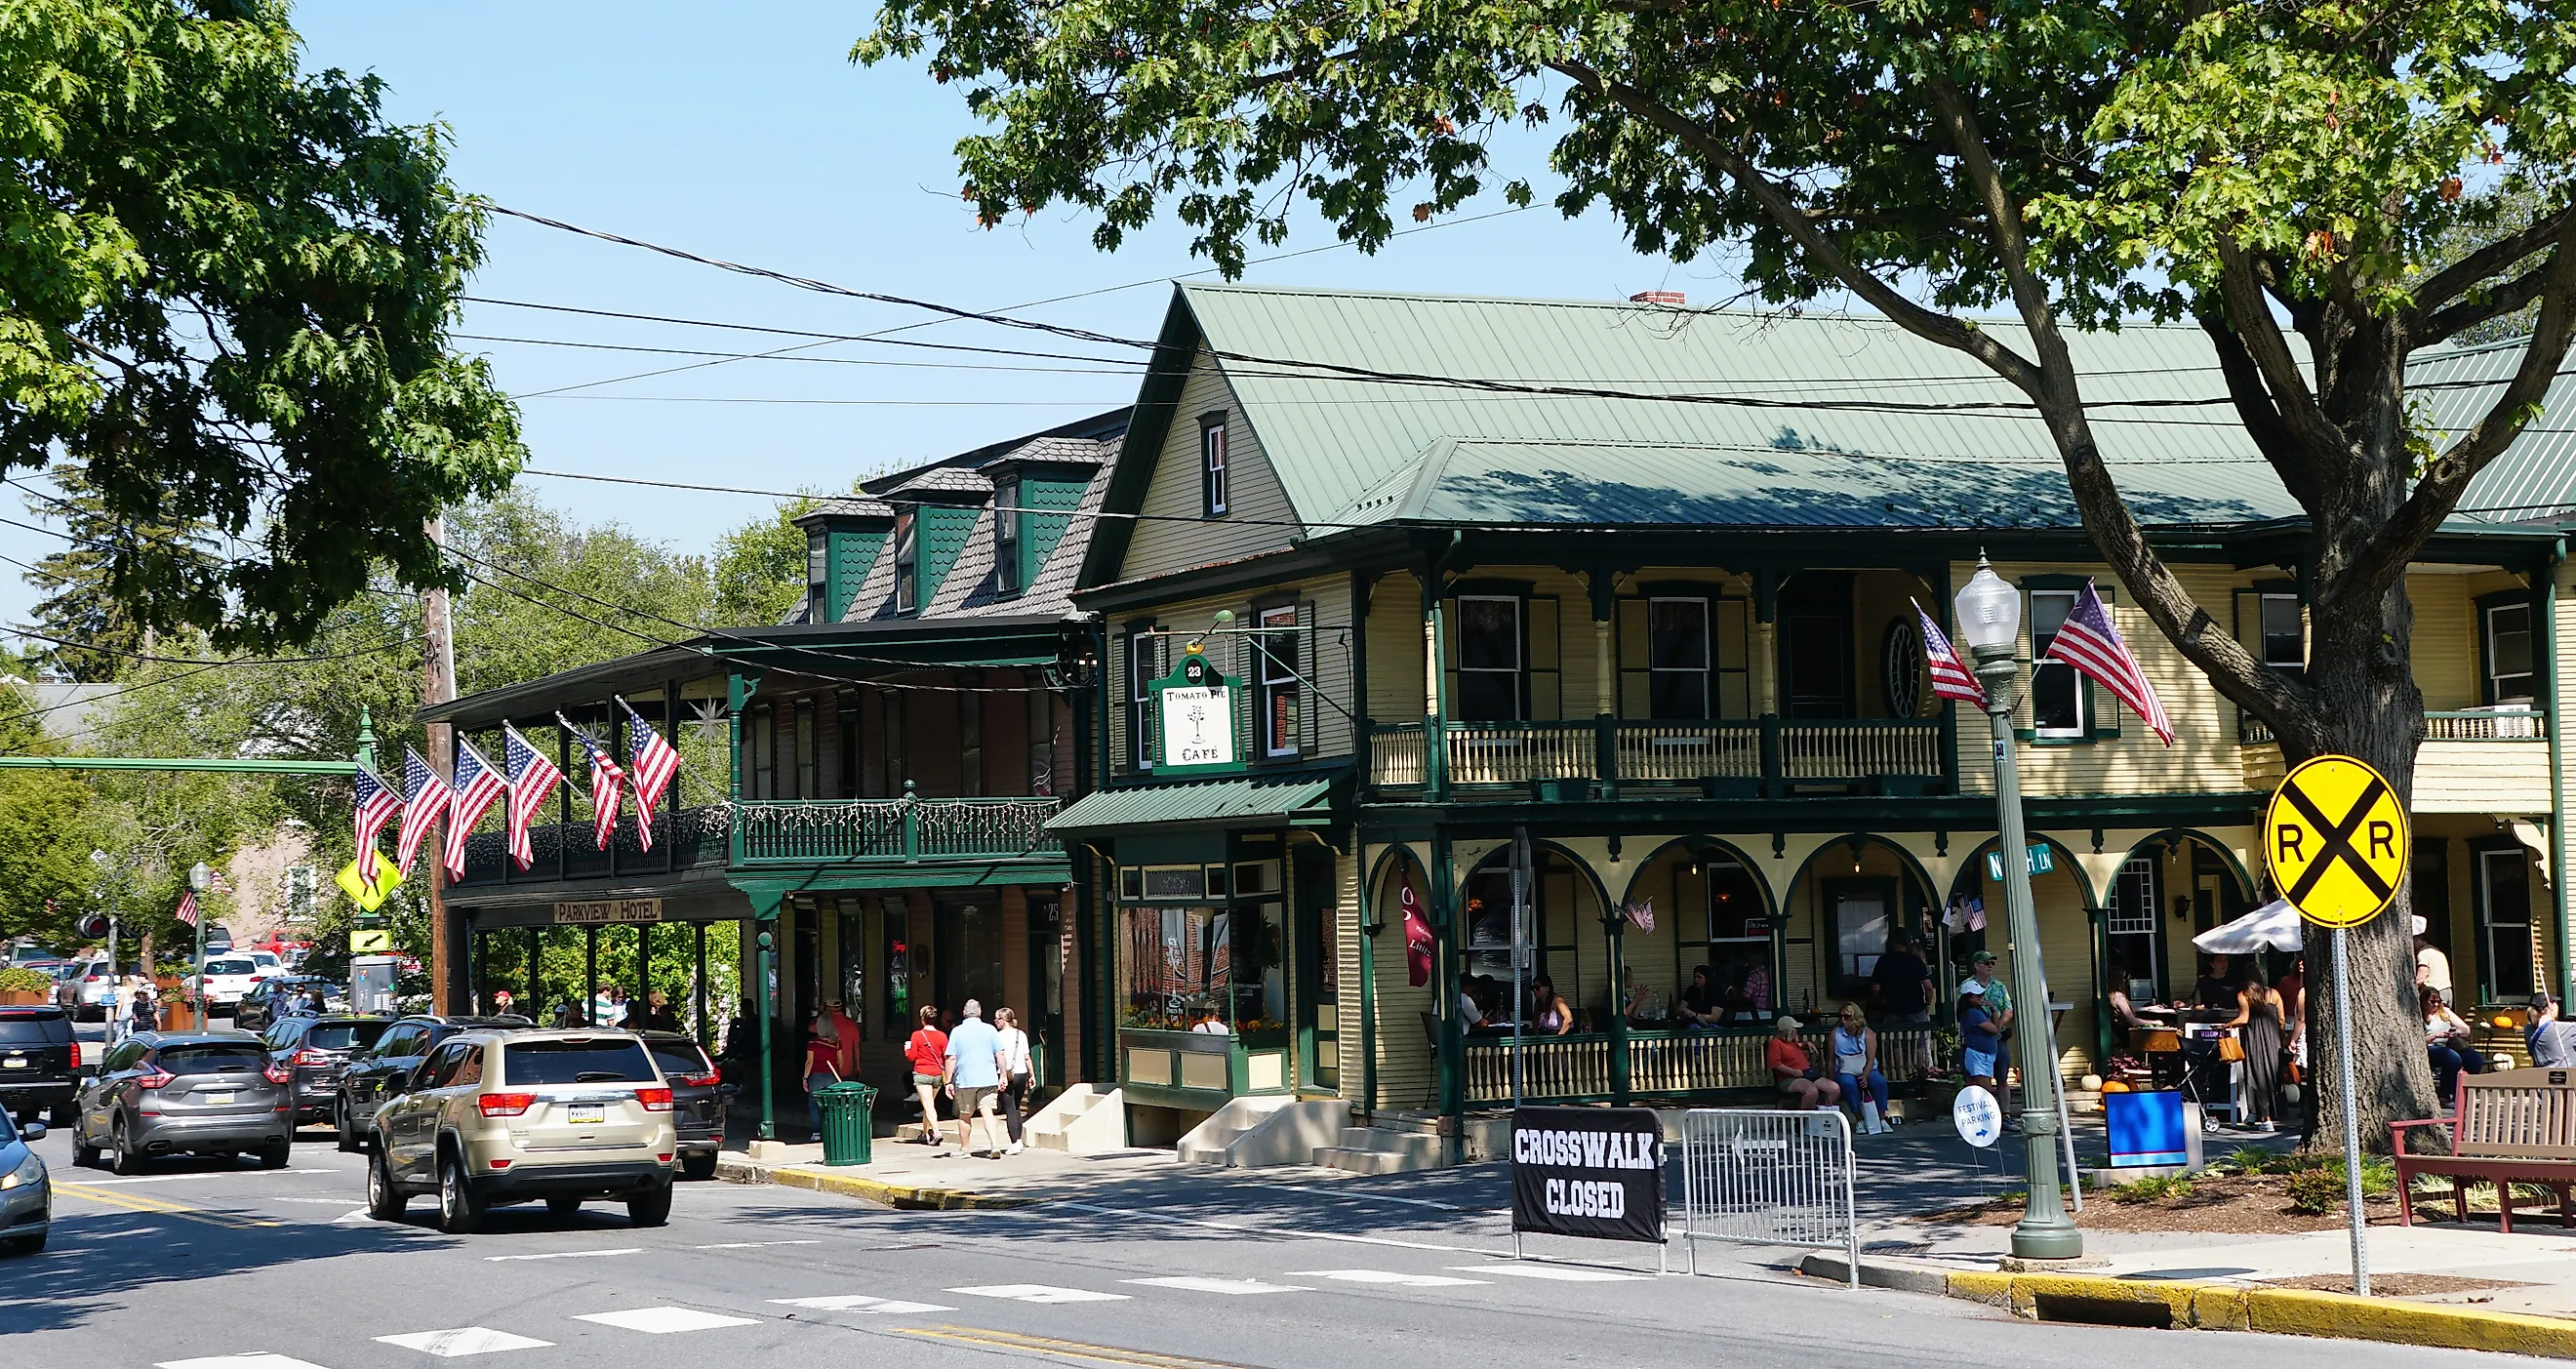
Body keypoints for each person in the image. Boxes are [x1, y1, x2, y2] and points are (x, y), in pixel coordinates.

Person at [2220, 961, 2287, 1130]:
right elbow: (2282, 1020)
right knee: (2272, 1076)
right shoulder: (2274, 994)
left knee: (2256, 1075)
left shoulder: (2244, 995)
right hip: (2273, 1040)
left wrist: (2227, 1025)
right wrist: (2281, 1036)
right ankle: (2260, 1113)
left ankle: (2265, 1118)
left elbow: (2244, 1018)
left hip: (2255, 1039)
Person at [943, 998, 1009, 1158]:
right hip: (988, 1078)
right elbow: (999, 1053)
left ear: (964, 1013)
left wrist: (948, 1081)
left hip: (965, 1080)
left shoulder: (957, 1031)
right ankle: (994, 1145)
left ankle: (965, 1149)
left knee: (965, 1114)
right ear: (980, 1012)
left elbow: (951, 1058)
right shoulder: (990, 1030)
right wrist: (1003, 1075)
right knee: (988, 1112)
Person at [1830, 1004, 1892, 1127]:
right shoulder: (1836, 1034)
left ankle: (1882, 1118)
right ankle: (1859, 1119)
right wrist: (1830, 1081)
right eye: (1840, 1016)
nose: (1842, 1019)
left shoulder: (1867, 1033)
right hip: (1844, 1069)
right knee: (1848, 1083)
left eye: (1846, 1017)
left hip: (1866, 1068)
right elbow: (1831, 1060)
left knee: (1879, 1082)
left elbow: (1871, 1058)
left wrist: (1865, 1075)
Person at [2424, 986, 2484, 1107]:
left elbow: (2466, 1029)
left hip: (2448, 1045)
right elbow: (2417, 1042)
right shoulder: (2418, 1015)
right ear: (2424, 1001)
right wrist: (2435, 1035)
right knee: (2452, 1057)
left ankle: (2465, 1094)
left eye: (2438, 1001)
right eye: (2432, 1002)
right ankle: (2445, 1095)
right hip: (2429, 1048)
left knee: (2474, 1058)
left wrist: (2456, 1032)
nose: (2436, 1005)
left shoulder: (2444, 1012)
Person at [1765, 1017, 1840, 1111]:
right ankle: (1805, 1120)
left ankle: (1821, 1113)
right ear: (1789, 1031)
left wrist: (1806, 1043)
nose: (1797, 1032)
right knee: (1811, 1091)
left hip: (1807, 1074)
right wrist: (1792, 1071)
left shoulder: (1792, 1042)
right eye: (1795, 1030)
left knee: (1834, 1089)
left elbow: (1794, 1047)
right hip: (1788, 1078)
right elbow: (1775, 1063)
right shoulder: (1775, 1043)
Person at [993, 1006, 1033, 1154]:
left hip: (1005, 1074)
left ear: (1003, 1020)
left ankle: (1014, 1142)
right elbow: (1027, 1056)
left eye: (997, 1019)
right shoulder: (1021, 1034)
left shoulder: (998, 1036)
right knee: (1016, 1107)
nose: (995, 1022)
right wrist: (1032, 1075)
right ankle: (1019, 1140)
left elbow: (996, 1057)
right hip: (1021, 1073)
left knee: (1009, 1109)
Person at [905, 1004, 947, 1145]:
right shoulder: (942, 1036)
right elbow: (946, 1055)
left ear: (922, 1019)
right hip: (937, 1075)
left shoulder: (917, 1035)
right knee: (928, 1104)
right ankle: (924, 1133)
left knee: (928, 1105)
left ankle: (936, 1131)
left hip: (922, 1073)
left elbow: (911, 1057)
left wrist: (906, 1049)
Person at [1871, 934, 1934, 1025]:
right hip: (1915, 1009)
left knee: (1893, 1036)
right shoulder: (1916, 961)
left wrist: (1881, 1000)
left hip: (1891, 1009)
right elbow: (1928, 987)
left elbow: (1875, 988)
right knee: (1917, 1036)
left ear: (1894, 942)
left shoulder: (1884, 960)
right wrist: (1928, 1004)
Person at [804, 1013, 843, 1142]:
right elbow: (841, 1061)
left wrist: (805, 1078)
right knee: (831, 1104)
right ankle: (831, 1130)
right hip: (832, 1076)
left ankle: (816, 1132)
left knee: (814, 1104)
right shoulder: (837, 1042)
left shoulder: (813, 1043)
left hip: (816, 1076)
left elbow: (809, 1062)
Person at [1958, 985, 2003, 1092]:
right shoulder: (1972, 1012)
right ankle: (1992, 1107)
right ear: (1969, 998)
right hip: (1978, 1054)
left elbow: (1997, 1026)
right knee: (1985, 1089)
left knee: (1978, 1086)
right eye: (1977, 995)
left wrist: (1993, 1010)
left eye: (1981, 995)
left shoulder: (1980, 1011)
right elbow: (1994, 1030)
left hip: (1985, 1054)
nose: (1981, 997)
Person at [2528, 992, 2576, 1068]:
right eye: (2555, 1002)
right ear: (2550, 1006)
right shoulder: (2566, 1029)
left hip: (2541, 1076)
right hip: (2566, 1077)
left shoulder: (2528, 1030)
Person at [1677, 965, 1725, 1031]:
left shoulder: (1717, 992)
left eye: (1699, 977)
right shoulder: (1691, 990)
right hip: (1694, 1025)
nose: (1696, 980)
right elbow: (1681, 1009)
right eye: (1695, 977)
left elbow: (1715, 1018)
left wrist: (1695, 1015)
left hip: (1714, 1027)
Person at [825, 995, 862, 1077]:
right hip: (847, 1068)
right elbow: (856, 1047)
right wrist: (857, 1066)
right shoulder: (852, 1024)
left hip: (828, 1068)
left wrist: (820, 1014)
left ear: (829, 1008)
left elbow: (810, 1028)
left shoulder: (825, 1024)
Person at [2416, 933, 2454, 1003]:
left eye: (2414, 940)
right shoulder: (2437, 951)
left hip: (2435, 994)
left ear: (2420, 939)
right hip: (2447, 991)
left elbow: (2420, 978)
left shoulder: (2423, 953)